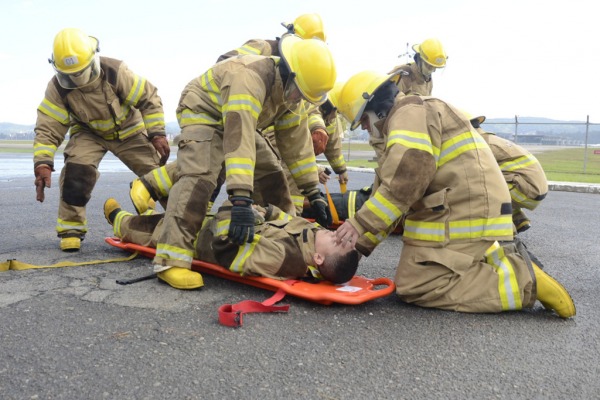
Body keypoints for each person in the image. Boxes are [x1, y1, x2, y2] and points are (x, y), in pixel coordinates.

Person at [333, 70, 575, 318]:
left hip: (465, 210)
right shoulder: (405, 119)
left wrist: (359, 223)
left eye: (363, 121)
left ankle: (521, 281)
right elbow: (388, 193)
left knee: (418, 285)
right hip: (463, 207)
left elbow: (406, 181)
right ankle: (491, 256)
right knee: (412, 276)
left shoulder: (408, 114)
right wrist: (360, 245)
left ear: (376, 109)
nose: (364, 128)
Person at [150, 34, 336, 290]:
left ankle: (280, 235)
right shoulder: (249, 77)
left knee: (270, 171)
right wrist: (240, 201)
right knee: (200, 176)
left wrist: (313, 191)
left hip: (238, 120)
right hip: (204, 112)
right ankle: (171, 259)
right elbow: (239, 141)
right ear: (290, 73)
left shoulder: (292, 93)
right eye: (299, 93)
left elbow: (296, 145)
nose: (298, 99)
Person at [34, 28, 169, 252]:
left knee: (158, 177)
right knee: (76, 172)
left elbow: (149, 98)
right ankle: (70, 229)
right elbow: (49, 125)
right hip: (89, 133)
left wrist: (157, 133)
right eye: (69, 75)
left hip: (129, 130)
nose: (76, 79)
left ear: (93, 58)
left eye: (81, 72)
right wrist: (42, 162)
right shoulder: (57, 88)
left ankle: (186, 219)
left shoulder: (116, 71)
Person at [103, 198, 360, 287]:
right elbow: (278, 215)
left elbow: (227, 250)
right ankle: (146, 212)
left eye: (339, 242)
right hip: (209, 222)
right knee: (170, 212)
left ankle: (118, 220)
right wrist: (258, 210)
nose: (338, 235)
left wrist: (233, 209)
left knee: (150, 228)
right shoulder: (310, 236)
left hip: (198, 239)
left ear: (319, 259)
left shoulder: (285, 257)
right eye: (344, 237)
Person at [469, 115, 548, 233]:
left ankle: (506, 232)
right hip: (533, 189)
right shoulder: (489, 139)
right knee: (495, 180)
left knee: (475, 185)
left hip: (526, 191)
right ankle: (519, 220)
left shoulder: (478, 145)